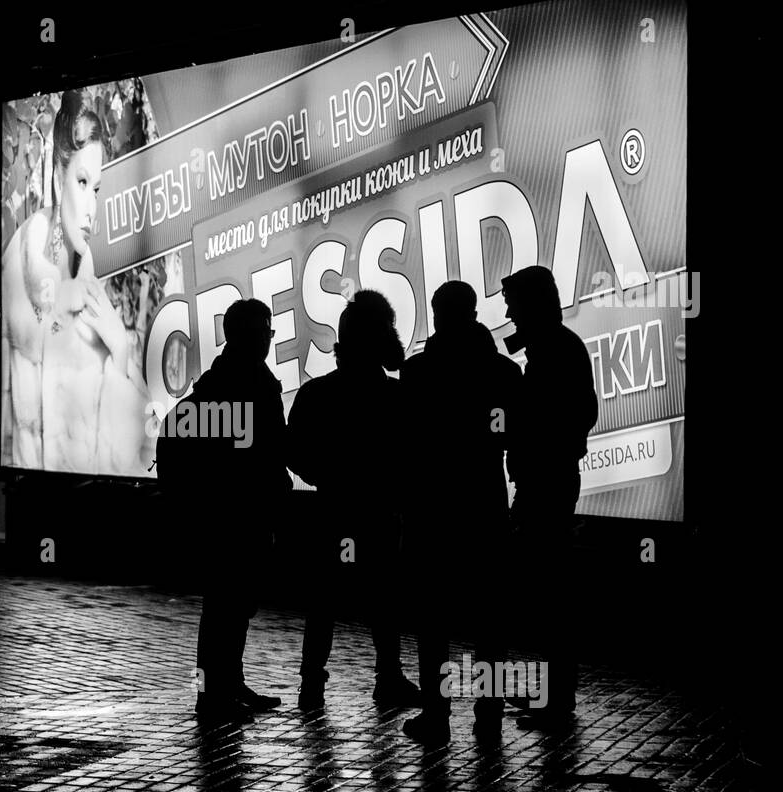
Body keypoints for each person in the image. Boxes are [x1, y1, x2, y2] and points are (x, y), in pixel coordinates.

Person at [1, 89, 151, 475]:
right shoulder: (25, 269)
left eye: (97, 189)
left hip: (87, 507)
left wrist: (120, 350)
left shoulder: (88, 283)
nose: (91, 208)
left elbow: (134, 454)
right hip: (39, 500)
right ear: (56, 178)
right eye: (82, 183)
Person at [155, 298, 290, 722]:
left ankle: (221, 687)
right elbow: (272, 456)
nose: (269, 341)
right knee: (228, 608)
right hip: (243, 516)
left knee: (225, 606)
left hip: (215, 516)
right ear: (254, 337)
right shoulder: (257, 388)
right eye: (266, 333)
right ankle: (215, 695)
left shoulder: (214, 386)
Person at [398, 281, 521, 741]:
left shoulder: (419, 373)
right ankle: (488, 717)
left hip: (432, 510)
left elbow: (405, 441)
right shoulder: (505, 373)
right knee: (490, 622)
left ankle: (437, 715)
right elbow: (515, 437)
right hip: (484, 505)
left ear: (437, 314)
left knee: (435, 622)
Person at [287, 290, 421, 710]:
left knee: (324, 600)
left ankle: (312, 685)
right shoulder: (397, 398)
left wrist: (326, 475)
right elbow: (414, 456)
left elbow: (294, 452)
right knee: (384, 599)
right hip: (380, 513)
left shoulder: (315, 395)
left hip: (333, 510)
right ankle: (388, 678)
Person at [500, 265, 598, 728]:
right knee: (548, 591)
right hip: (548, 479)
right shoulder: (556, 347)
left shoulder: (553, 351)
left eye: (513, 303)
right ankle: (554, 696)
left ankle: (556, 701)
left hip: (546, 482)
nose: (507, 312)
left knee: (549, 593)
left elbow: (571, 415)